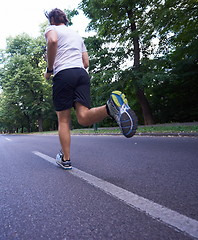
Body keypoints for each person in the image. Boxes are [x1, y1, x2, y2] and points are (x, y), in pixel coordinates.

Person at [44, 8, 138, 170]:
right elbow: (86, 62)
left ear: (52, 20)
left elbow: (52, 41)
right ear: (65, 19)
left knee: (64, 120)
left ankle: (66, 159)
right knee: (83, 117)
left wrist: (50, 69)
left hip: (64, 75)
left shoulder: (52, 29)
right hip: (81, 74)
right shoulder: (76, 35)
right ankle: (110, 107)